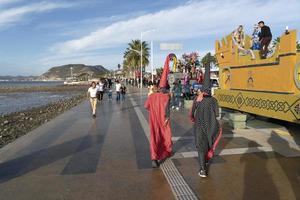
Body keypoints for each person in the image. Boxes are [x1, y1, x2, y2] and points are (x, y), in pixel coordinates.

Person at [189, 63, 222, 178]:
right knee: (208, 144)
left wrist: (193, 119)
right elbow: (217, 114)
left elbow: (192, 113)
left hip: (199, 125)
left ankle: (203, 169)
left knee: (200, 146)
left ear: (202, 89)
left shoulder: (197, 99)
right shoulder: (214, 100)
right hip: (211, 126)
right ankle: (206, 161)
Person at [144, 54, 174, 168]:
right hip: (163, 121)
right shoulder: (167, 97)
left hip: (154, 121)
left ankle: (154, 158)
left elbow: (146, 106)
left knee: (154, 138)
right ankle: (165, 152)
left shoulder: (152, 96)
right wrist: (166, 118)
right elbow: (167, 109)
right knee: (165, 136)